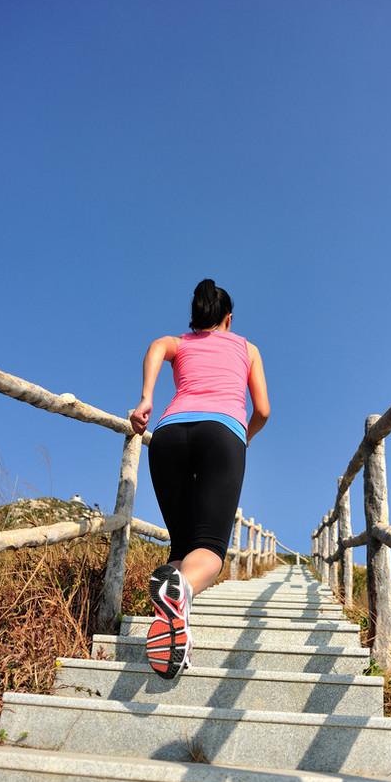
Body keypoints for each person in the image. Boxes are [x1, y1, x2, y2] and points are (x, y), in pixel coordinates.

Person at [130, 278, 270, 680]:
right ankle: (180, 589)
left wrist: (146, 398)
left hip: (169, 433)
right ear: (229, 318)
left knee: (183, 542)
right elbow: (261, 409)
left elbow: (158, 345)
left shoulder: (181, 342)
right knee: (208, 550)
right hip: (221, 433)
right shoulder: (247, 348)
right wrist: (243, 436)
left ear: (194, 318)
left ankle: (177, 628)